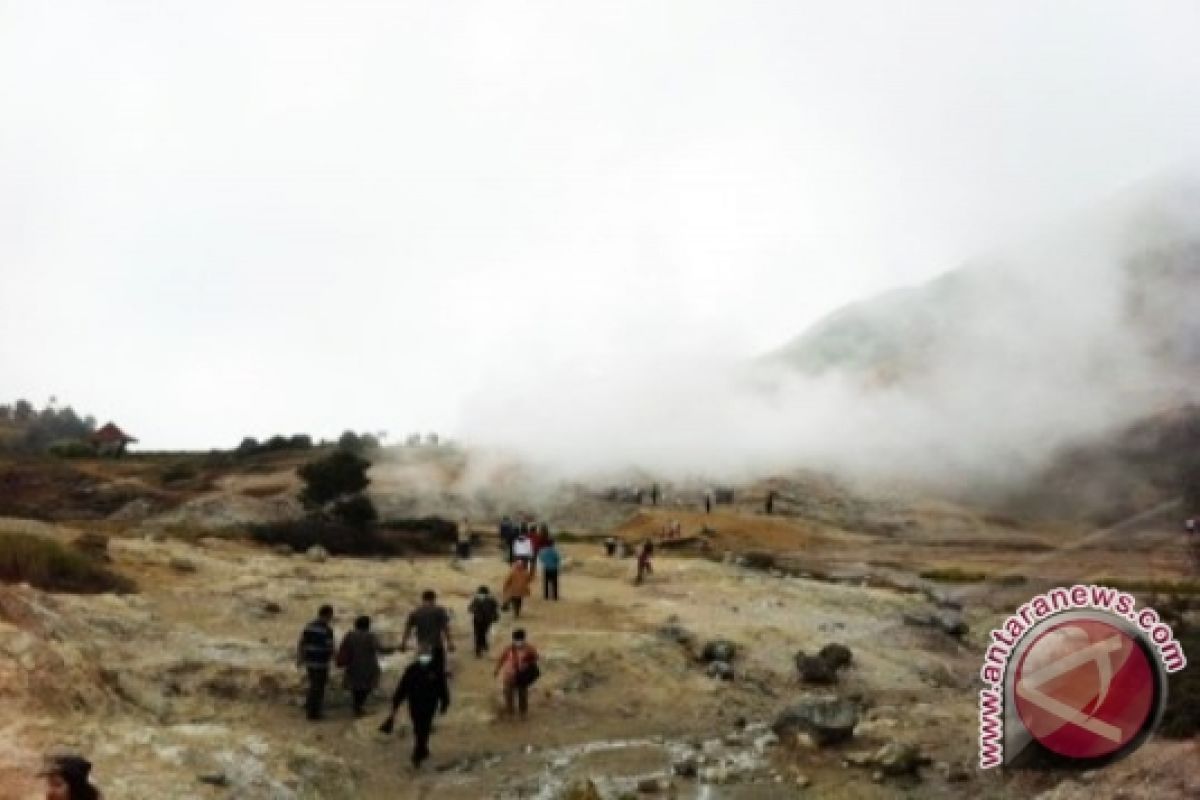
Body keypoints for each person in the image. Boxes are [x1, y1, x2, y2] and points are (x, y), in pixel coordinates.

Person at [385, 644, 451, 769]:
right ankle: (422, 747)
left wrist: (445, 703)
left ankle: (419, 750)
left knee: (425, 726)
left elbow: (442, 688)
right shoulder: (412, 669)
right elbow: (402, 687)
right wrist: (396, 702)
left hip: (430, 704)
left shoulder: (435, 670)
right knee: (418, 726)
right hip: (415, 703)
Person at [401, 590, 454, 677]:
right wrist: (450, 642)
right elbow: (445, 628)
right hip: (436, 644)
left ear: (423, 599)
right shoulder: (439, 610)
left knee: (424, 668)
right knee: (439, 668)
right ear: (434, 599)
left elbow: (408, 629)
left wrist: (403, 643)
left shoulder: (416, 612)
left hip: (423, 645)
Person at [296, 604, 335, 720]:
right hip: (321, 663)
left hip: (310, 661)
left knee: (313, 685)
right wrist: (335, 658)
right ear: (328, 615)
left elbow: (302, 642)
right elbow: (330, 647)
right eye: (331, 615)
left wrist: (300, 658)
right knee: (318, 687)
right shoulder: (327, 630)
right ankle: (314, 713)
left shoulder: (309, 626)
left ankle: (309, 706)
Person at [338, 615, 382, 716]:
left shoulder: (349, 635)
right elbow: (379, 648)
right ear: (368, 625)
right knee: (367, 686)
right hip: (368, 665)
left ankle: (356, 706)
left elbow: (343, 648)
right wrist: (394, 648)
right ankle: (358, 707)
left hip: (353, 664)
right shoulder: (370, 636)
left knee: (356, 687)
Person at [494, 628, 539, 717]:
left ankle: (523, 714)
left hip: (522, 676)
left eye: (520, 640)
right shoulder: (508, 649)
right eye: (516, 640)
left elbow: (536, 657)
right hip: (509, 676)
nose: (518, 642)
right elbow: (501, 659)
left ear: (523, 639)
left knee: (522, 696)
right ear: (513, 639)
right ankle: (510, 714)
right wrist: (497, 670)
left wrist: (527, 662)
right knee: (508, 696)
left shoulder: (529, 648)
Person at [468, 585, 501, 657]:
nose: (481, 595)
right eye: (480, 593)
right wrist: (474, 610)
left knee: (482, 633)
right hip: (478, 620)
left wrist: (495, 616)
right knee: (478, 634)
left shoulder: (491, 600)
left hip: (486, 620)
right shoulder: (477, 600)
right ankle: (478, 649)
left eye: (482, 593)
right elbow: (470, 608)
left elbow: (495, 609)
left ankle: (482, 645)